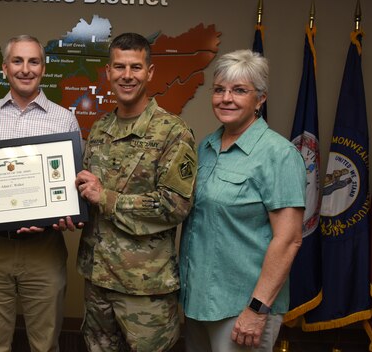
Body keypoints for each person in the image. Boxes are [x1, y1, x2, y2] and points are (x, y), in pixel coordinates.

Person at [0, 35, 81, 352]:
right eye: (18, 61)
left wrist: (64, 213)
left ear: (43, 68)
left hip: (44, 249)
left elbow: (73, 184)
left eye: (33, 61)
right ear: (5, 68)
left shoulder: (64, 118)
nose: (26, 69)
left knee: (46, 343)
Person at [74, 32, 197, 351]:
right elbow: (86, 194)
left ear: (150, 72)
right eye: (119, 67)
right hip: (97, 280)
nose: (127, 76)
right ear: (108, 72)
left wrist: (107, 198)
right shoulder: (100, 129)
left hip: (145, 291)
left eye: (135, 67)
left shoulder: (173, 132)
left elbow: (176, 205)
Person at [179, 49, 306, 352]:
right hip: (197, 304)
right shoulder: (205, 148)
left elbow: (288, 240)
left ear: (260, 99)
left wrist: (256, 310)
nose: (226, 98)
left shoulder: (279, 155)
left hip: (242, 310)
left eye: (239, 91)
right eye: (220, 89)